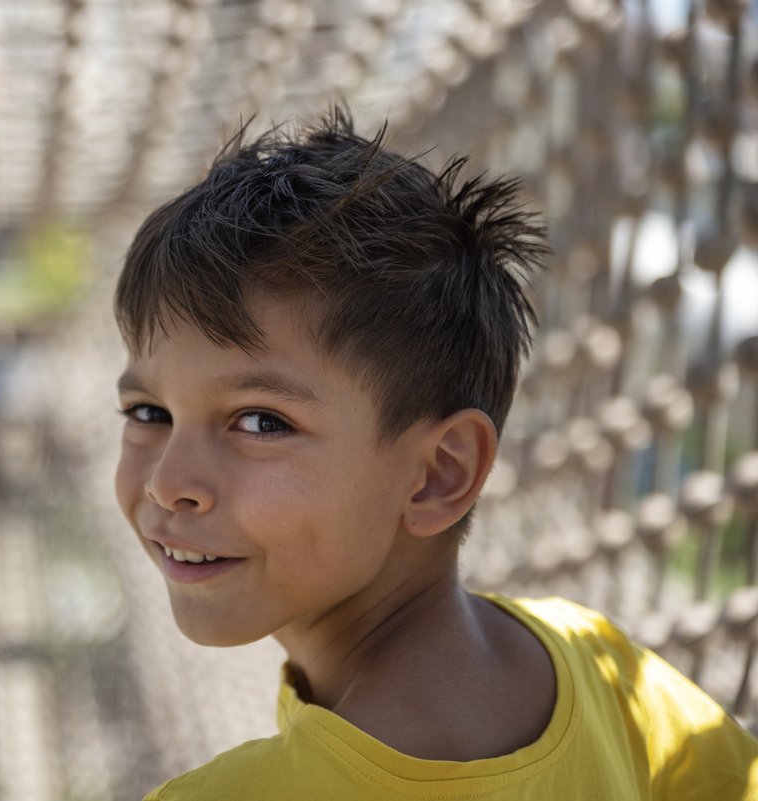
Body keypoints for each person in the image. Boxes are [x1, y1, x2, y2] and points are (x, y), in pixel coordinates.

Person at [111, 107, 758, 800]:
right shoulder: (601, 668)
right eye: (148, 412)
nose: (170, 483)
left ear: (439, 473)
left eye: (261, 422)